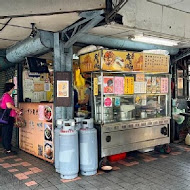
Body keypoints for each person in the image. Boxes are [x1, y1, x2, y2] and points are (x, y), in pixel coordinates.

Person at [0, 83, 21, 154]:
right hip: (8, 117)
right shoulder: (7, 96)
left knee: (5, 132)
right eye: (13, 88)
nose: (13, 90)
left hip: (5, 117)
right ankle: (8, 149)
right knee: (7, 132)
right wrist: (16, 109)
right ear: (10, 88)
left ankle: (6, 147)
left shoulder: (4, 95)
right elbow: (9, 106)